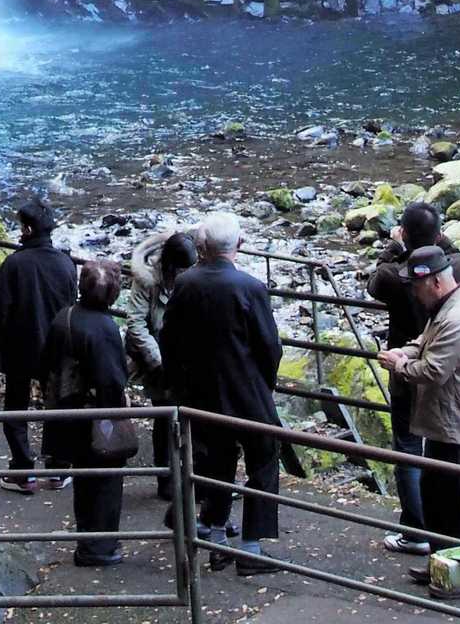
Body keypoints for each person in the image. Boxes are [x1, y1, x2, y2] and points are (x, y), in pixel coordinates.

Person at [161, 212, 283, 575]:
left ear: (202, 246)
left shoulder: (185, 284)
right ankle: (252, 546)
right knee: (264, 456)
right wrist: (265, 382)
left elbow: (169, 339)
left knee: (217, 461)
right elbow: (269, 346)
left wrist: (181, 383)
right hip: (246, 391)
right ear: (239, 245)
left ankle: (216, 536)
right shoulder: (249, 287)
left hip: (201, 390)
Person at [379, 244, 460, 572]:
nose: (414, 294)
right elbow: (424, 342)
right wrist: (404, 352)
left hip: (459, 426)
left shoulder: (457, 317)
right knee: (438, 499)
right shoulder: (449, 305)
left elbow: (433, 371)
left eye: (416, 286)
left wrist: (398, 366)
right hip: (449, 423)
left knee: (458, 507)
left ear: (434, 282)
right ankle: (442, 569)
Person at [368, 203, 460, 555]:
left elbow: (376, 279)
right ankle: (441, 532)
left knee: (408, 450)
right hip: (446, 375)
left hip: (405, 365)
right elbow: (455, 254)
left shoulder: (394, 276)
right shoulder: (455, 269)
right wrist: (436, 238)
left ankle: (416, 531)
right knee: (439, 453)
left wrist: (396, 245)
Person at [41, 261, 133, 565]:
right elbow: (112, 379)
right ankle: (100, 548)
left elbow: (47, 363)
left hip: (67, 412)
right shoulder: (104, 328)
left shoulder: (63, 317)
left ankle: (88, 542)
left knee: (84, 482)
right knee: (104, 484)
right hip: (97, 416)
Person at [0, 197, 78, 492]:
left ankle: (23, 468)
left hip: (19, 346)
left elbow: (1, 310)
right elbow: (71, 306)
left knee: (15, 407)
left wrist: (0, 344)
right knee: (57, 405)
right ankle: (57, 467)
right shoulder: (66, 264)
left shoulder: (14, 264)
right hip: (57, 347)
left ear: (27, 229)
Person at [125, 228, 197, 501]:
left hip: (188, 358)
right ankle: (166, 478)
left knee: (195, 419)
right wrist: (158, 361)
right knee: (164, 419)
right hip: (158, 361)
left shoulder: (192, 275)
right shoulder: (147, 281)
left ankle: (196, 476)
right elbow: (136, 323)